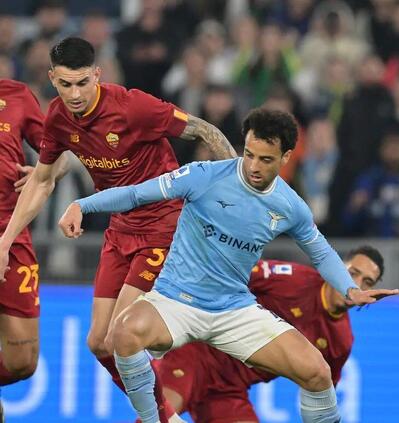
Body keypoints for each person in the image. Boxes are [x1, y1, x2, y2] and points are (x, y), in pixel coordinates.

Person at [58, 107, 398, 423]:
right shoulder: (204, 176)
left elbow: (321, 252)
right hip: (177, 301)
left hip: (234, 311)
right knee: (124, 331)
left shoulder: (290, 206)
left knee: (317, 372)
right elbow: (134, 195)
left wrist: (350, 289)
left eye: (265, 160)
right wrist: (82, 205)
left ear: (286, 157)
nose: (252, 166)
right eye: (249, 154)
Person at [0, 37, 237, 423]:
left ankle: (162, 408)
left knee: (120, 336)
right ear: (52, 79)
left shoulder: (133, 107)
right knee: (98, 342)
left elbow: (203, 130)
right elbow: (43, 180)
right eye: (65, 84)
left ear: (97, 74)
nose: (74, 94)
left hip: (165, 224)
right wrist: (5, 241)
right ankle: (165, 410)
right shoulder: (58, 117)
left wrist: (240, 192)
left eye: (82, 83)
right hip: (119, 230)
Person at [153, 246, 385, 422]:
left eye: (367, 282)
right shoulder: (293, 279)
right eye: (353, 273)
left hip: (229, 390)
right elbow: (230, 274)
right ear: (337, 266)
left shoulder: (341, 341)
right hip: (197, 353)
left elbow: (322, 395)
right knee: (162, 413)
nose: (357, 284)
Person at [0, 78, 67, 421]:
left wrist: (49, 171)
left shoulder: (16, 95)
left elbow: (61, 152)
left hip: (11, 236)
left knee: (23, 363)